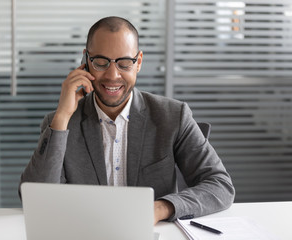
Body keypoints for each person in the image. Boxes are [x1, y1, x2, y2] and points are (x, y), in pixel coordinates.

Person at [20, 16, 235, 225]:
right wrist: (62, 117)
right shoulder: (62, 121)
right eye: (101, 62)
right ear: (86, 61)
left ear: (138, 62)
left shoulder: (173, 116)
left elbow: (219, 185)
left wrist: (159, 208)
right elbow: (35, 198)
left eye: (124, 63)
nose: (113, 75)